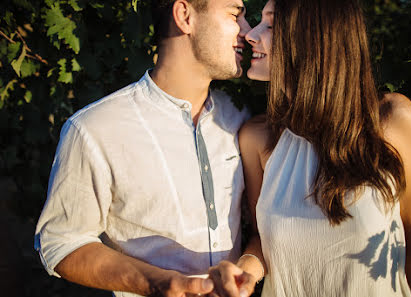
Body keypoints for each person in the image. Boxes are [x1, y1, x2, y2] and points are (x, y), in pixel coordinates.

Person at [208, 0, 411, 296]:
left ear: (314, 38)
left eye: (270, 25)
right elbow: (264, 237)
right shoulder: (257, 138)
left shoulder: (391, 121)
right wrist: (246, 270)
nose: (250, 34)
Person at [34, 0, 252, 296]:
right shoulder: (93, 128)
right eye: (235, 14)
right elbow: (61, 242)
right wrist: (158, 283)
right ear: (185, 17)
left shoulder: (241, 120)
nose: (248, 32)